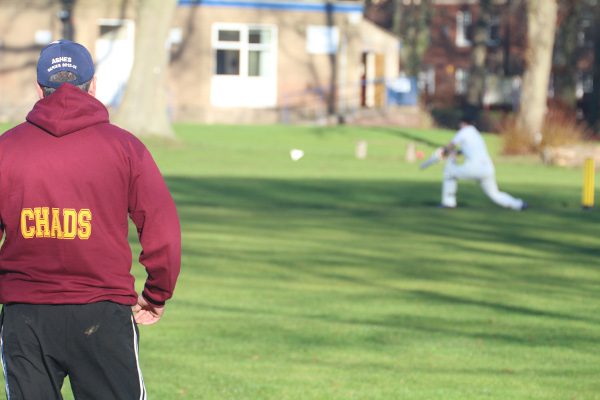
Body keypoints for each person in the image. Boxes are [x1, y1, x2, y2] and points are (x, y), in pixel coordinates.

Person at [0, 40, 181, 398]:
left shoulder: (6, 148)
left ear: (40, 89)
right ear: (93, 86)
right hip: (102, 313)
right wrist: (157, 293)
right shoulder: (126, 148)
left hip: (27, 314)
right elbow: (163, 230)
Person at [441, 112, 527, 210]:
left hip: (474, 168)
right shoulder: (476, 134)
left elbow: (450, 145)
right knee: (494, 193)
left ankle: (448, 203)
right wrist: (456, 152)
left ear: (463, 123)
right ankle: (518, 204)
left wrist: (443, 151)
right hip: (487, 169)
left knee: (449, 172)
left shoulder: (464, 131)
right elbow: (469, 150)